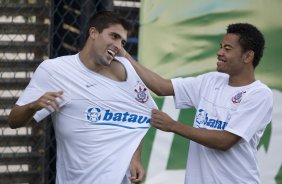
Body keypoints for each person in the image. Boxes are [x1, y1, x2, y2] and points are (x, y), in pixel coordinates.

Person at [8, 11, 157, 184]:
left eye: (122, 41)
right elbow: (13, 121)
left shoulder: (126, 69)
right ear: (93, 33)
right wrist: (33, 106)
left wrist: (135, 157)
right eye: (114, 36)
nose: (118, 46)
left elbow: (139, 114)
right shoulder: (54, 70)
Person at [125, 23, 273, 183]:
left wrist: (173, 126)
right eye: (221, 47)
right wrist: (125, 57)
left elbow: (225, 141)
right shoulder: (211, 80)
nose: (219, 53)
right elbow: (162, 87)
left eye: (227, 49)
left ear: (247, 56)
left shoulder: (259, 94)